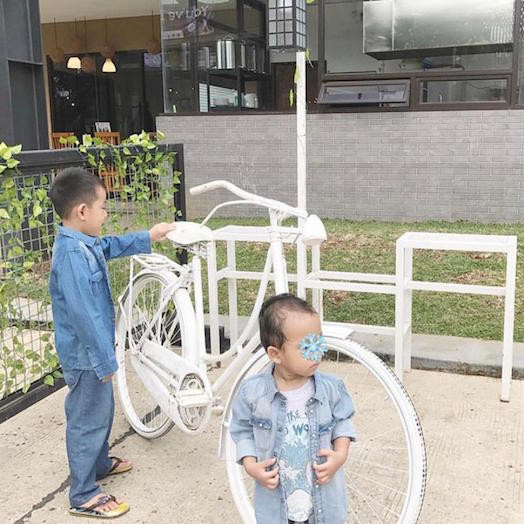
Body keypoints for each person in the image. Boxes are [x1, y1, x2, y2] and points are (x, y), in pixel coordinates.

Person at [48, 167, 175, 519]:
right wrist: (105, 361)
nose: (106, 214)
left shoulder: (84, 243)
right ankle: (83, 493)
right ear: (82, 211)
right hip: (86, 355)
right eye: (103, 207)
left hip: (94, 352)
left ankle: (99, 462)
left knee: (101, 410)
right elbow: (85, 317)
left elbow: (110, 245)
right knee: (87, 418)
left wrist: (149, 236)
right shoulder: (72, 256)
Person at [230, 294, 356, 524]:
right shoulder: (253, 394)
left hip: (323, 504)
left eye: (318, 342)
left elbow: (343, 422)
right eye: (306, 346)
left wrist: (340, 455)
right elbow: (242, 430)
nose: (316, 352)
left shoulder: (331, 389)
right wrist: (250, 465)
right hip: (276, 506)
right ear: (275, 354)